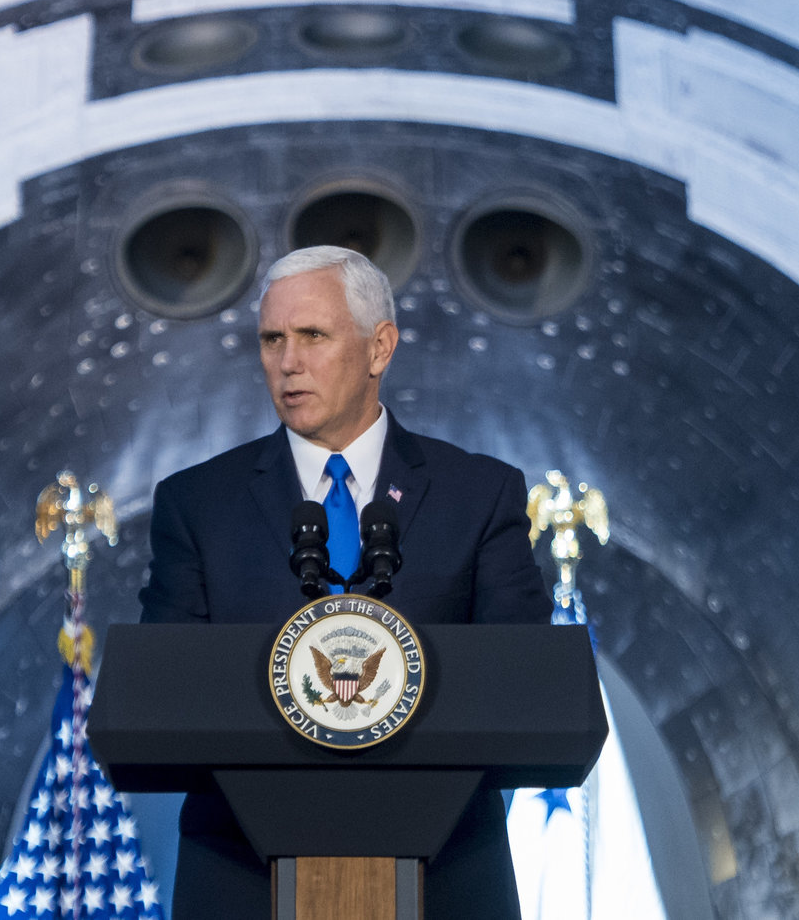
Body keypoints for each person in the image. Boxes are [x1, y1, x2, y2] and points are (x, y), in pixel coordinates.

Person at [139, 244, 548, 919]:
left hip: (445, 875)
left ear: (379, 347)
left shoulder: (478, 494)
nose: (288, 361)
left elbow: (524, 682)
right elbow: (165, 693)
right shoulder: (197, 503)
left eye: (313, 336)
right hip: (241, 878)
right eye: (272, 339)